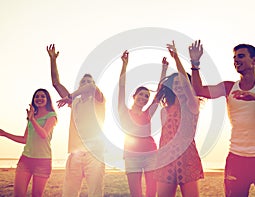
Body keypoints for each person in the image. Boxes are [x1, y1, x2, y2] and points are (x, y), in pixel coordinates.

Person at [189, 40, 255, 196]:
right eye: (234, 58)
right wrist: (195, 64)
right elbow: (198, 90)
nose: (236, 60)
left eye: (241, 56)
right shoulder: (229, 87)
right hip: (236, 159)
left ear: (254, 61)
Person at [47, 44, 106, 197]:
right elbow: (56, 83)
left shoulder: (99, 101)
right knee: (69, 194)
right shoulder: (76, 103)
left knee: (95, 193)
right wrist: (53, 60)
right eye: (83, 82)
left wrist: (70, 95)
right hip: (75, 155)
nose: (86, 84)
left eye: (89, 81)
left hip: (94, 155)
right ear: (79, 86)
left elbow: (92, 87)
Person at [154, 41, 204, 197]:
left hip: (187, 157)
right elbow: (158, 93)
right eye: (175, 84)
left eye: (182, 83)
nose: (179, 86)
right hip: (165, 157)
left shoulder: (192, 106)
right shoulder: (164, 111)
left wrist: (176, 59)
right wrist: (163, 71)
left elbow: (188, 88)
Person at [118, 50, 168, 197]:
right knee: (136, 193)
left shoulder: (148, 113)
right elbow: (121, 87)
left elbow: (159, 93)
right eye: (141, 94)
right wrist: (124, 65)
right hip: (131, 155)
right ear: (134, 96)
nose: (144, 98)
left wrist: (163, 69)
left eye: (147, 96)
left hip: (151, 155)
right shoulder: (123, 111)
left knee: (152, 192)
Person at [0, 88, 57, 197]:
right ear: (34, 99)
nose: (39, 98)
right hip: (25, 159)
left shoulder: (51, 116)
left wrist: (32, 120)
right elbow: (25, 139)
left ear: (47, 100)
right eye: (37, 96)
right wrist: (5, 134)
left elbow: (43, 134)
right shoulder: (32, 116)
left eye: (42, 96)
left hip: (43, 161)